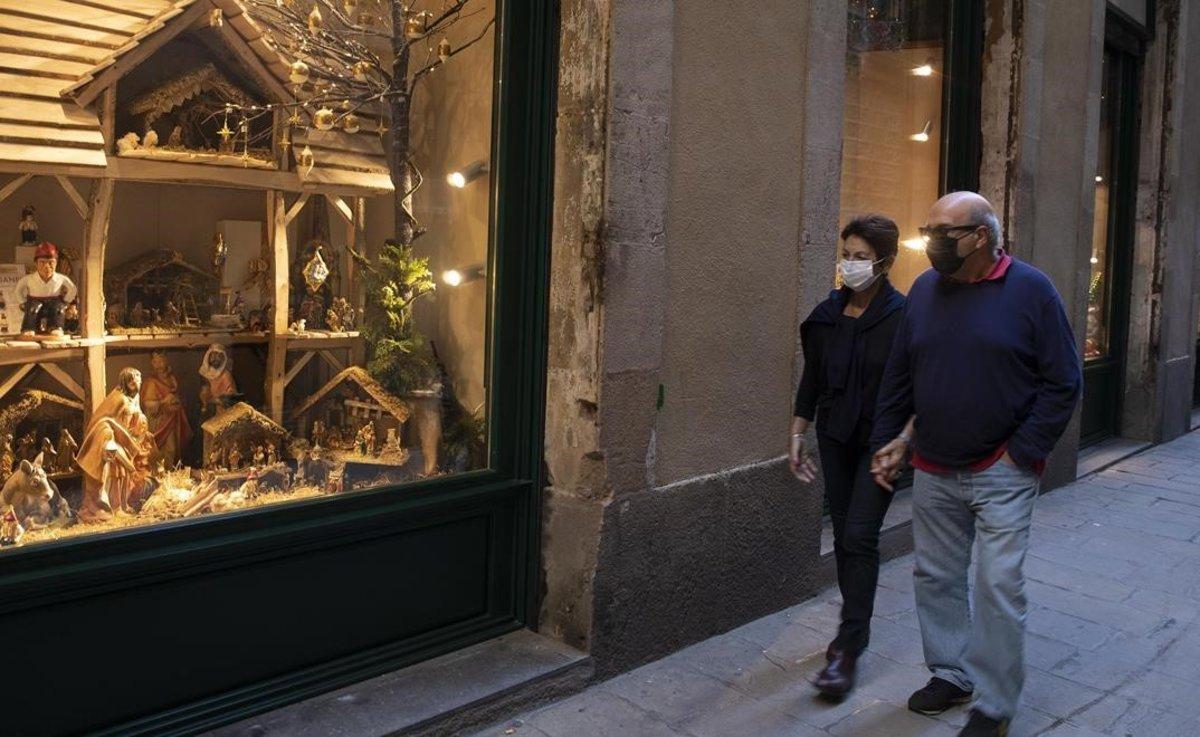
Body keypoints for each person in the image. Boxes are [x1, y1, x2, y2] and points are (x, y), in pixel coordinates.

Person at [870, 192, 1081, 737]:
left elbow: (1063, 381)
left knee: (998, 586)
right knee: (935, 577)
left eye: (944, 231)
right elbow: (900, 373)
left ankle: (993, 704)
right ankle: (951, 673)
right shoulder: (924, 290)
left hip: (1001, 469)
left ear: (981, 236)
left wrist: (1022, 453)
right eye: (928, 229)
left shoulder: (1031, 291)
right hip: (935, 465)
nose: (932, 241)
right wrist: (891, 439)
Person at [789, 214, 906, 698]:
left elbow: (916, 387)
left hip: (881, 443)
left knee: (860, 535)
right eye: (847, 255)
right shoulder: (827, 316)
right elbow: (813, 378)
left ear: (885, 262)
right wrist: (798, 432)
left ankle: (849, 647)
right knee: (843, 535)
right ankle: (849, 635)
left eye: (862, 258)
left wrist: (905, 439)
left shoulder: (903, 318)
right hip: (836, 438)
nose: (851, 265)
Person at [76, 368, 157, 523]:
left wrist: (142, 433)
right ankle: (115, 507)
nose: (135, 383)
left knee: (123, 476)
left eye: (138, 379)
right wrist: (117, 439)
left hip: (127, 440)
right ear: (124, 382)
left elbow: (137, 417)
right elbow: (104, 420)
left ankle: (122, 505)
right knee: (115, 474)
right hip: (113, 440)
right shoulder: (118, 399)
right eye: (131, 380)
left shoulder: (135, 397)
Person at [141, 351, 192, 468]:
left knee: (172, 449)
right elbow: (147, 403)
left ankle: (169, 474)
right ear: (152, 363)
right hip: (158, 422)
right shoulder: (151, 382)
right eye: (156, 362)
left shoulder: (172, 379)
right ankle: (159, 475)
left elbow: (178, 397)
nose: (159, 365)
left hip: (171, 420)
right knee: (155, 450)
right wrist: (163, 401)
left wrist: (176, 401)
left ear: (166, 361)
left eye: (161, 360)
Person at [16, 241, 77, 337]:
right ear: (36, 263)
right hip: (34, 301)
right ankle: (29, 328)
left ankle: (56, 327)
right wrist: (23, 302)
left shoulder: (60, 278)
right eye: (42, 262)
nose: (46, 267)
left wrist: (66, 301)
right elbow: (18, 289)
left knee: (58, 309)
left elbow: (72, 288)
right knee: (32, 309)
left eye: (51, 263)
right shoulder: (29, 279)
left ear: (56, 263)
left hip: (54, 302)